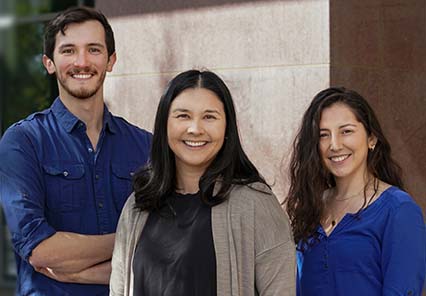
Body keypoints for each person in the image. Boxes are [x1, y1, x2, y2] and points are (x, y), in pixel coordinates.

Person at [0, 7, 152, 296]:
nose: (81, 62)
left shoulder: (146, 146)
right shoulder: (23, 142)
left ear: (111, 60)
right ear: (49, 63)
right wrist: (130, 240)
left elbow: (166, 249)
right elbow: (39, 249)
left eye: (94, 50)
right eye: (68, 50)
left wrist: (80, 272)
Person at [110, 69, 296, 295]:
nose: (195, 129)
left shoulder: (255, 205)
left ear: (227, 127)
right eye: (183, 116)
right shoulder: (138, 206)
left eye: (209, 117)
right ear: (164, 125)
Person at [286, 87, 426, 295]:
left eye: (346, 131)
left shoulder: (398, 210)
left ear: (371, 139)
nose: (334, 145)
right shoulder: (311, 207)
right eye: (323, 135)